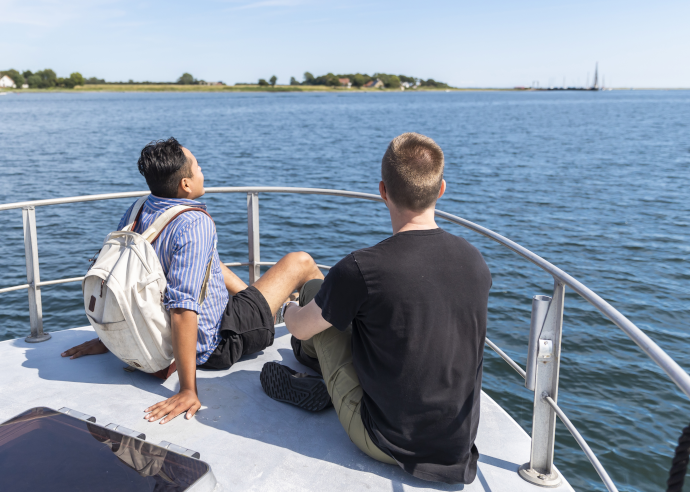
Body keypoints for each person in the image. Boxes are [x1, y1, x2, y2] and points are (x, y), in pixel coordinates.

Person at [271, 132, 491, 485]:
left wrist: (289, 311)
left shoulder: (362, 268)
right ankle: (323, 372)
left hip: (386, 440)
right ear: (441, 189)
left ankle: (318, 374)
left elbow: (299, 328)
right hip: (456, 446)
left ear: (383, 191)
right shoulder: (475, 260)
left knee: (315, 291)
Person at [62, 137, 325, 425]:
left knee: (209, 261)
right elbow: (182, 308)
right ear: (186, 185)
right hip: (217, 343)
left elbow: (120, 275)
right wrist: (188, 389)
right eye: (198, 166)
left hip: (152, 332)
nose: (202, 170)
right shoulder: (195, 223)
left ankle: (265, 309)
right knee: (301, 262)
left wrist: (110, 338)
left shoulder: (139, 209)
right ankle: (321, 345)